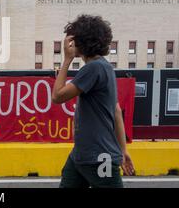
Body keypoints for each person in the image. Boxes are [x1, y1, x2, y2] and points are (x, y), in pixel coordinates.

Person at [51, 14, 135, 188]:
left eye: (74, 39)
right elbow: (116, 110)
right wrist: (123, 150)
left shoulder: (94, 68)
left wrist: (67, 59)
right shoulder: (106, 67)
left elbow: (57, 96)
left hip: (99, 157)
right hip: (81, 156)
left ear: (82, 42)